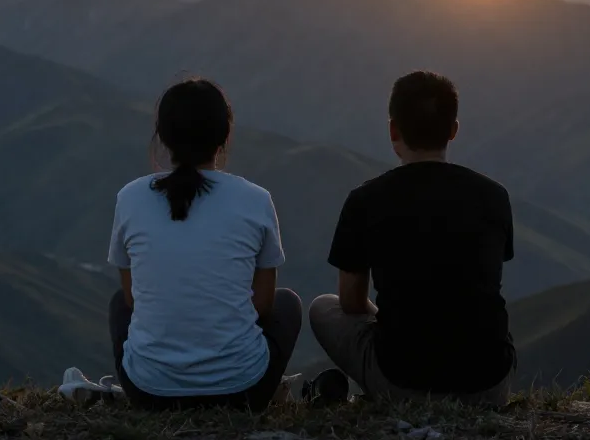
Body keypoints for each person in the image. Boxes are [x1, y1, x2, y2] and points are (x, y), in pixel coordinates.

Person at [309, 70, 516, 404]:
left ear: (393, 129)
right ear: (453, 130)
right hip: (489, 386)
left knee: (322, 308)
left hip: (403, 382)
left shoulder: (366, 200)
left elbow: (349, 301)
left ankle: (368, 393)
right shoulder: (494, 196)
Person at [107, 78, 302, 412]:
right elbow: (264, 304)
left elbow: (132, 299)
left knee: (118, 305)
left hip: (149, 393)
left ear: (163, 137)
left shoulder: (131, 198)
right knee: (289, 304)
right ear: (224, 137)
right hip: (242, 393)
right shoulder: (256, 200)